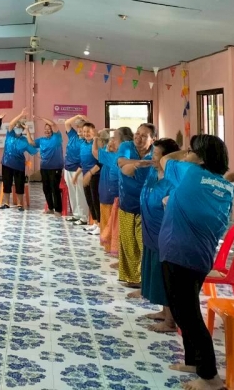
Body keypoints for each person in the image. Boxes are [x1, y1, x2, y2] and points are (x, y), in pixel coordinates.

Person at [159, 135, 234, 390]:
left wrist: (183, 153)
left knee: (188, 315)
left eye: (191, 150)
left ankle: (210, 377)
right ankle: (193, 361)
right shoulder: (227, 187)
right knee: (186, 308)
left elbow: (165, 160)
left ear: (200, 158)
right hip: (200, 256)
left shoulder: (190, 173)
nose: (186, 154)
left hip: (180, 253)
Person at [122, 138, 180, 334]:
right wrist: (140, 164)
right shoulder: (152, 172)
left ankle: (171, 321)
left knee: (165, 276)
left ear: (167, 158)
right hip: (150, 231)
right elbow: (125, 170)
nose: (153, 158)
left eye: (156, 155)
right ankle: (164, 312)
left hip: (164, 233)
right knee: (156, 273)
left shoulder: (173, 179)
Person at [116, 123, 155, 293]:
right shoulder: (126, 146)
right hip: (127, 201)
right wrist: (139, 163)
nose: (138, 138)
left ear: (153, 139)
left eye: (144, 136)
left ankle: (147, 280)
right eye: (137, 134)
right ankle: (133, 279)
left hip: (148, 206)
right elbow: (121, 162)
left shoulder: (156, 152)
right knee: (128, 243)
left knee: (144, 244)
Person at [94, 127, 133, 255]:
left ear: (123, 141)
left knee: (120, 228)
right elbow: (96, 152)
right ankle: (114, 250)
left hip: (124, 199)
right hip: (116, 197)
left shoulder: (127, 156)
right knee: (115, 225)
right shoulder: (116, 155)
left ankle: (119, 253)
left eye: (114, 138)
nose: (112, 141)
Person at [0, 109, 39, 211]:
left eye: (20, 128)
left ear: (22, 129)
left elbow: (33, 148)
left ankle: (20, 204)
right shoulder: (10, 134)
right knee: (7, 183)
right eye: (17, 127)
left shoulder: (24, 140)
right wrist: (21, 115)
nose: (17, 129)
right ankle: (6, 203)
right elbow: (11, 124)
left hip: (19, 165)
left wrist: (28, 130)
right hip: (6, 163)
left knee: (19, 185)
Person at [31, 115, 63, 214]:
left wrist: (41, 118)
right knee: (46, 188)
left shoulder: (57, 137)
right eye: (45, 129)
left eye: (49, 129)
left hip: (55, 168)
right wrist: (27, 130)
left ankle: (58, 210)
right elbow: (31, 143)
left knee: (54, 188)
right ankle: (50, 208)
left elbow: (53, 124)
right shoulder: (41, 140)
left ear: (52, 130)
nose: (47, 131)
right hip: (44, 167)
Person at [63, 114, 88, 224]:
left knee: (80, 193)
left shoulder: (86, 141)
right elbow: (67, 123)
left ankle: (83, 217)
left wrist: (86, 121)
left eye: (82, 128)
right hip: (68, 168)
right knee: (72, 192)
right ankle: (76, 214)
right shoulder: (73, 136)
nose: (79, 129)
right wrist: (77, 116)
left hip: (78, 170)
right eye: (78, 127)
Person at [79, 122, 102, 232]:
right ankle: (95, 222)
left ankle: (100, 225)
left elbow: (100, 162)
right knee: (89, 200)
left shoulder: (97, 143)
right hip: (85, 174)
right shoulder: (83, 144)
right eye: (84, 131)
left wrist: (90, 173)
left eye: (88, 131)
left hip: (95, 175)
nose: (86, 133)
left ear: (94, 131)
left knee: (95, 200)